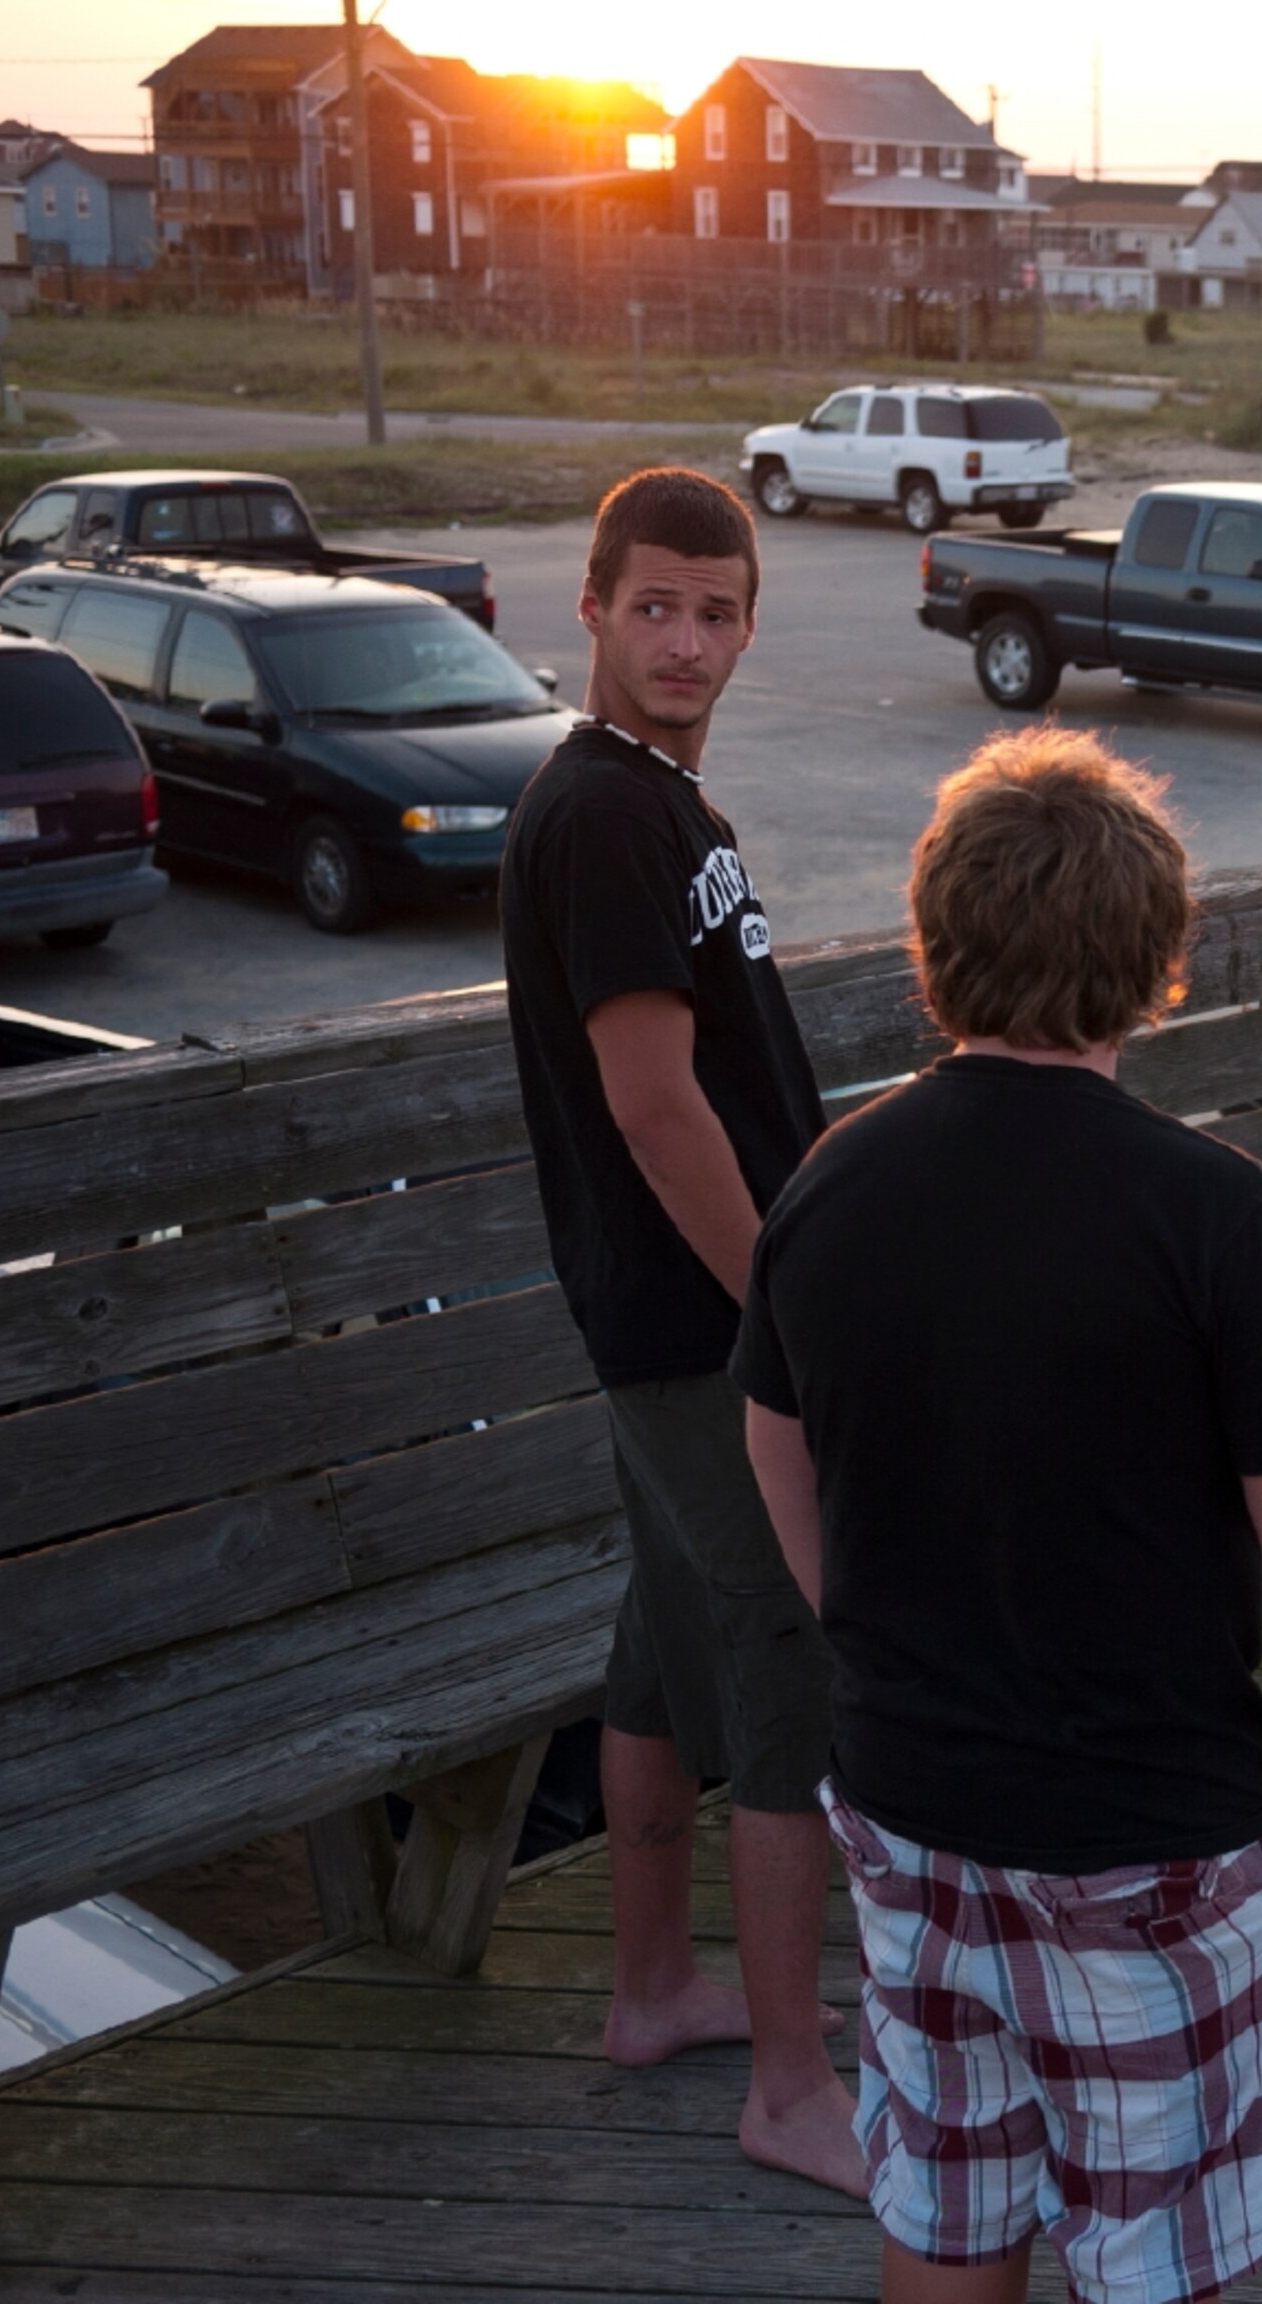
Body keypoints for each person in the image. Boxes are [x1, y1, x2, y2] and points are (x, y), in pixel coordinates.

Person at [734, 729, 1262, 2304]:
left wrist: (877, 1641)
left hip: (912, 1809)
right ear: (1158, 962)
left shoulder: (832, 1181)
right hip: (1150, 1837)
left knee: (946, 2212)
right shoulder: (1215, 1214)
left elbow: (774, 1450)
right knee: (1160, 2246)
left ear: (933, 941)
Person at [495, 467, 862, 2195]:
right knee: (789, 1652)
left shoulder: (662, 806)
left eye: (718, 612)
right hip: (695, 1319)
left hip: (688, 1311)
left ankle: (651, 1983)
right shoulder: (602, 818)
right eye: (654, 606)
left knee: (661, 1641)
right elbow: (654, 1109)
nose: (687, 641)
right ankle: (792, 2082)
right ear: (588, 608)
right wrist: (786, 1304)